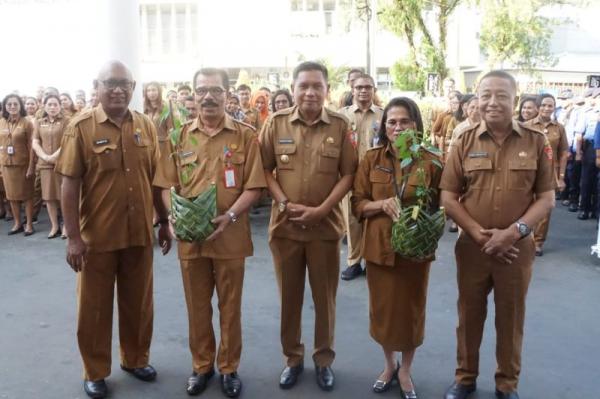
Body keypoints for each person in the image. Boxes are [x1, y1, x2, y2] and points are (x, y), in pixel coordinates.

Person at [55, 60, 168, 399]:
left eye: (124, 83)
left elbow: (157, 180)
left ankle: (135, 359)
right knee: (94, 308)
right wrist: (73, 238)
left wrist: (163, 221)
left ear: (133, 87)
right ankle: (95, 371)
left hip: (139, 236)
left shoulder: (146, 125)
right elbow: (69, 184)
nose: (118, 89)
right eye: (110, 83)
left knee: (139, 304)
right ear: (97, 86)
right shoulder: (81, 126)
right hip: (97, 240)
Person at [440, 70, 555, 399]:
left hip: (516, 250)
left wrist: (515, 233)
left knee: (511, 317)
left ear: (515, 99)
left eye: (501, 95)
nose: (492, 102)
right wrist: (479, 234)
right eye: (485, 95)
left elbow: (546, 197)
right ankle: (465, 377)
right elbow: (448, 197)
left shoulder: (536, 141)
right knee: (469, 314)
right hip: (473, 249)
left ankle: (507, 384)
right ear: (476, 99)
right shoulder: (463, 140)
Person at [154, 67, 267, 398]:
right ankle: (201, 365)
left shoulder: (245, 135)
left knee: (230, 307)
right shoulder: (179, 136)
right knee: (197, 306)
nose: (207, 96)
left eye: (215, 90)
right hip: (191, 239)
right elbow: (165, 184)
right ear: (192, 96)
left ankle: (229, 367)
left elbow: (255, 186)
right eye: (201, 90)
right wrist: (172, 216)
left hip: (230, 236)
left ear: (226, 95)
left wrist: (231, 215)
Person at [259, 61, 358, 392]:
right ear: (293, 87)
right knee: (289, 298)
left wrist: (322, 209)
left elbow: (348, 174)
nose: (311, 92)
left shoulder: (341, 127)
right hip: (285, 228)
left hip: (325, 229)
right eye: (304, 86)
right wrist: (285, 204)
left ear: (327, 90)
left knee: (325, 298)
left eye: (317, 86)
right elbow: (264, 171)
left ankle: (323, 360)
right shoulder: (275, 124)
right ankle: (293, 358)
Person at [351, 97, 442, 399]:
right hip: (379, 249)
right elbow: (358, 204)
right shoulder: (371, 159)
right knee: (384, 312)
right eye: (392, 122)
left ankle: (406, 370)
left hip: (415, 252)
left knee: (412, 312)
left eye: (405, 121)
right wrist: (380, 204)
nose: (398, 127)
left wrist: (429, 226)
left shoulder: (430, 161)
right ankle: (389, 365)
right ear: (384, 126)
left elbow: (442, 204)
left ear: (416, 125)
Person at [338, 73, 383, 280]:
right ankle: (354, 262)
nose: (364, 91)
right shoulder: (341, 116)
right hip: (350, 176)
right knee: (352, 221)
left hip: (377, 176)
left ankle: (371, 261)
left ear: (374, 90)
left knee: (374, 220)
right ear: (352, 90)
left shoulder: (383, 116)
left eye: (368, 87)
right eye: (359, 87)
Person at [525, 94, 569, 255]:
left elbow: (564, 153)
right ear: (537, 107)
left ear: (554, 108)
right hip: (528, 172)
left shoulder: (559, 128)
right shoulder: (526, 125)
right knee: (525, 206)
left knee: (544, 209)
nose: (546, 108)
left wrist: (562, 177)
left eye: (550, 106)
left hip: (550, 174)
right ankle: (524, 238)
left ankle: (538, 242)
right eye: (543, 105)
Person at [32, 94, 69, 238]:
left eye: (55, 104)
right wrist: (45, 157)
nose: (52, 107)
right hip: (45, 164)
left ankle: (66, 226)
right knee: (49, 197)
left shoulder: (67, 121)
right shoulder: (39, 122)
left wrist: (54, 157)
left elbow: (68, 141)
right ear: (44, 106)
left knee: (63, 196)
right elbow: (35, 141)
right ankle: (54, 226)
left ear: (60, 106)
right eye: (50, 105)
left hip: (63, 163)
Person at [0, 94, 36, 236]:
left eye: (15, 104)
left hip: (23, 164)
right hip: (6, 165)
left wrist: (31, 166)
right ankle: (17, 223)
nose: (12, 107)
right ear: (5, 107)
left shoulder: (27, 123)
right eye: (9, 104)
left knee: (27, 195)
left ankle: (28, 224)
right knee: (11, 195)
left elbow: (31, 145)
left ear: (20, 105)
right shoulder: (1, 122)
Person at [576, 89, 600, 220]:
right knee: (587, 180)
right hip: (590, 147)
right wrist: (578, 151)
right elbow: (579, 134)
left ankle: (596, 211)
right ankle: (584, 208)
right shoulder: (587, 113)